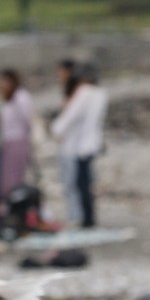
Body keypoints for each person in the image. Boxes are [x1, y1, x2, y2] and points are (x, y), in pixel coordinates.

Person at [50, 62, 108, 228]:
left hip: (81, 145)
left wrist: (56, 129)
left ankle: (86, 219)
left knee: (80, 184)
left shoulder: (84, 93)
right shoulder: (101, 94)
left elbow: (71, 115)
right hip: (93, 143)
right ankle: (88, 217)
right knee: (86, 183)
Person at [0, 69, 34, 217]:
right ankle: (6, 209)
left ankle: (16, 209)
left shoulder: (22, 97)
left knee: (15, 177)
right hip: (7, 141)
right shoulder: (7, 99)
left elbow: (27, 120)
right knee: (5, 178)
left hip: (18, 141)